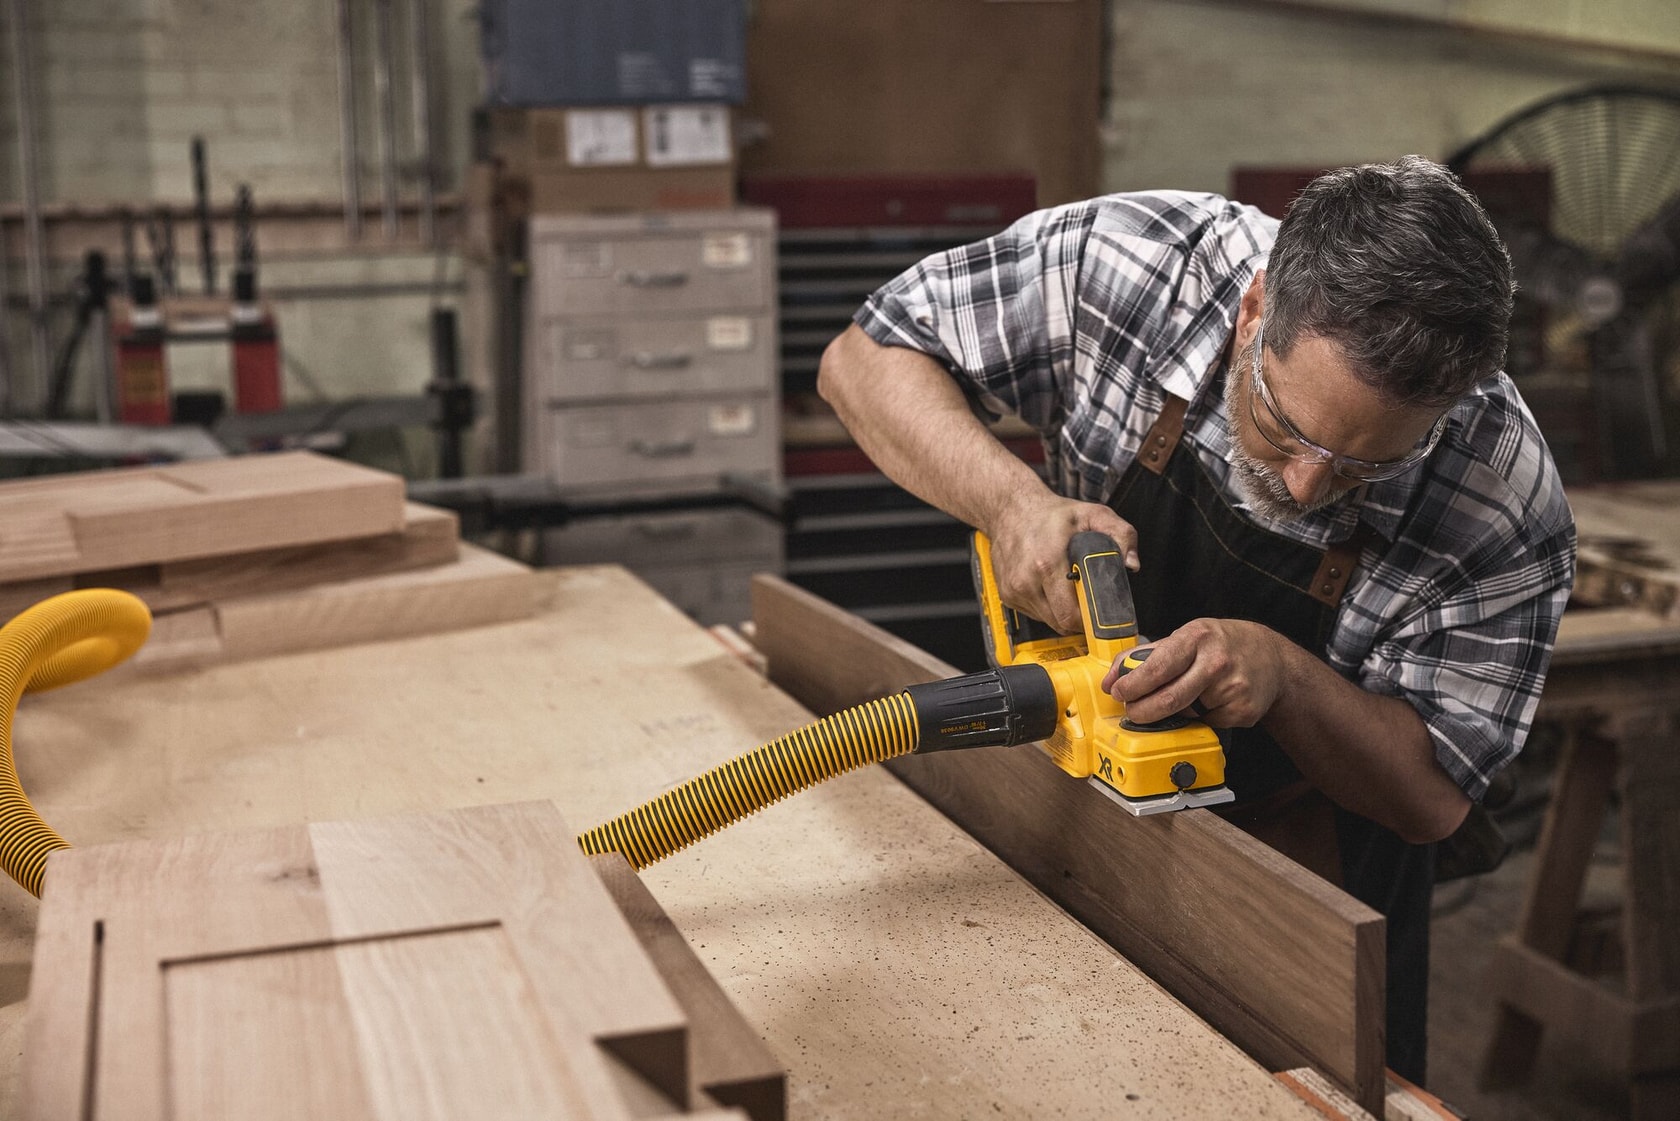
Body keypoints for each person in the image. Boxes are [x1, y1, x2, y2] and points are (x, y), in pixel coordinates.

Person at [817, 156, 1575, 1082]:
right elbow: (863, 359)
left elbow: (1430, 796)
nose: (1305, 486)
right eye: (1288, 429)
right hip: (1072, 791)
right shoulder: (1136, 266)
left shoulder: (1504, 501)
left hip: (1305, 861)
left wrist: (1287, 677)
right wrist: (1013, 504)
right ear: (1254, 311)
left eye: (1364, 465)